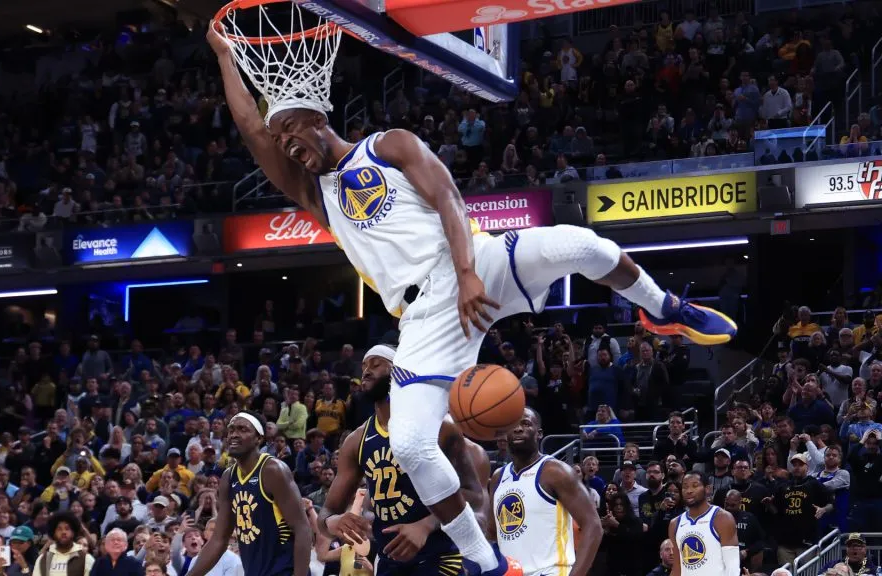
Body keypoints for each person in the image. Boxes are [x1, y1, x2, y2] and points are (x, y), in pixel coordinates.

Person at [207, 19, 736, 576]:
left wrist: (466, 274)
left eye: (292, 128)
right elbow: (252, 131)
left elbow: (449, 199)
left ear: (318, 116)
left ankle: (664, 310)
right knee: (410, 446)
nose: (287, 143)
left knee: (585, 245)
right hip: (423, 315)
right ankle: (486, 560)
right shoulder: (315, 193)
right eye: (282, 137)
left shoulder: (388, 145)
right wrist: (225, 56)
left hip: (474, 260)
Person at [317, 344, 491, 575]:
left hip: (442, 558)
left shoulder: (439, 428)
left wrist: (426, 526)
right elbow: (325, 516)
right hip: (390, 564)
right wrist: (334, 522)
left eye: (376, 364)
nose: (366, 371)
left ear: (398, 372)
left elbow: (476, 499)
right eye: (364, 366)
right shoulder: (356, 441)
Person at [186, 411, 311, 576]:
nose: (233, 435)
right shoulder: (228, 478)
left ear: (258, 439)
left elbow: (302, 528)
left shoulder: (272, 470)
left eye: (242, 430)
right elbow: (218, 540)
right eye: (231, 430)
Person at [487, 407, 602, 576]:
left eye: (526, 424)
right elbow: (492, 533)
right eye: (513, 425)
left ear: (539, 433)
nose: (518, 428)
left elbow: (593, 525)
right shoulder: (498, 477)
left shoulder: (556, 472)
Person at [668, 472, 740, 576]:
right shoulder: (675, 524)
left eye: (695, 486)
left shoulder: (722, 518)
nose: (689, 491)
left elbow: (732, 567)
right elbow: (677, 568)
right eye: (685, 487)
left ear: (707, 489)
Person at [32, 512, 95, 576]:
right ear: (54, 533)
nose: (63, 532)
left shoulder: (86, 558)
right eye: (59, 529)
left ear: (73, 532)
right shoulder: (43, 559)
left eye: (67, 529)